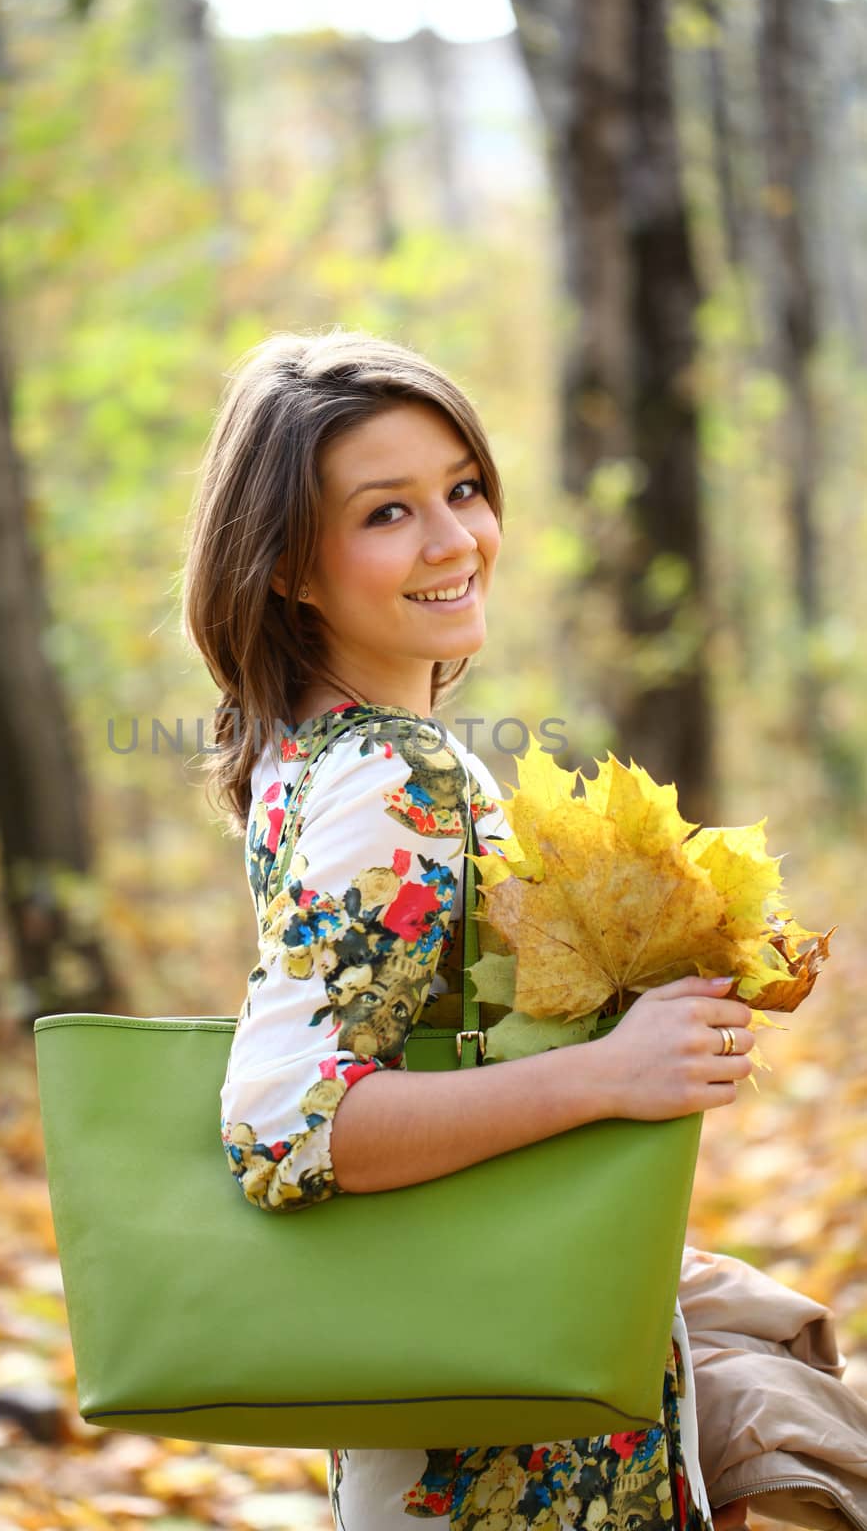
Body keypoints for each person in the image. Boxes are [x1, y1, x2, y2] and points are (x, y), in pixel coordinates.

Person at [180, 328, 755, 1531]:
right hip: (498, 1457)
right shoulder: (397, 776)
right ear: (285, 565)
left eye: (461, 489)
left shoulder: (310, 751)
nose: (454, 540)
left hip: (468, 1390)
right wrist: (611, 1074)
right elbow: (285, 1126)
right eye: (386, 513)